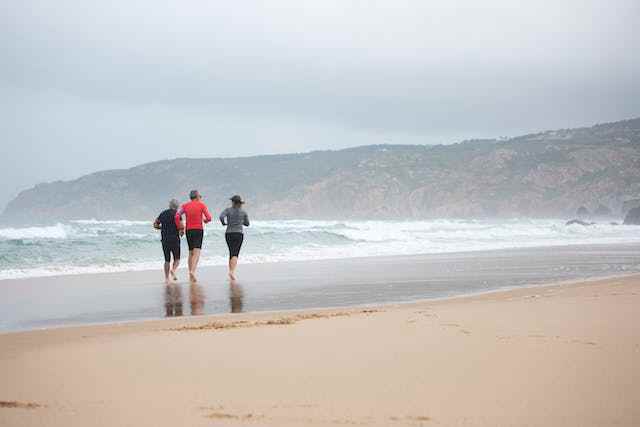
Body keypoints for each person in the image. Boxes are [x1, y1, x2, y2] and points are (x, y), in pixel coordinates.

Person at [175, 190, 212, 283]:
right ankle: (192, 271)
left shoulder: (184, 206)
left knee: (190, 252)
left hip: (188, 230)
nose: (200, 198)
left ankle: (190, 273)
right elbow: (209, 218)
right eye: (200, 196)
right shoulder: (201, 205)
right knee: (197, 252)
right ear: (197, 197)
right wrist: (205, 220)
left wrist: (180, 227)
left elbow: (176, 216)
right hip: (198, 230)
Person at [219, 195, 250, 280]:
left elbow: (221, 217)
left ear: (232, 202)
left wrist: (223, 223)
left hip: (228, 233)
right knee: (235, 253)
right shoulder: (243, 212)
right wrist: (240, 221)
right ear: (240, 203)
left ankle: (231, 272)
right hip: (239, 233)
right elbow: (247, 223)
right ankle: (232, 272)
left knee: (231, 252)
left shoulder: (228, 210)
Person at [153, 199, 181, 284]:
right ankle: (173, 270)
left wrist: (161, 228)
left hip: (165, 240)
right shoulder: (177, 214)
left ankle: (166, 278)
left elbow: (155, 224)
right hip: (175, 239)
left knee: (167, 260)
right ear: (177, 206)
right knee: (177, 259)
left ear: (170, 205)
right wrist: (181, 231)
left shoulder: (163, 213)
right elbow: (180, 226)